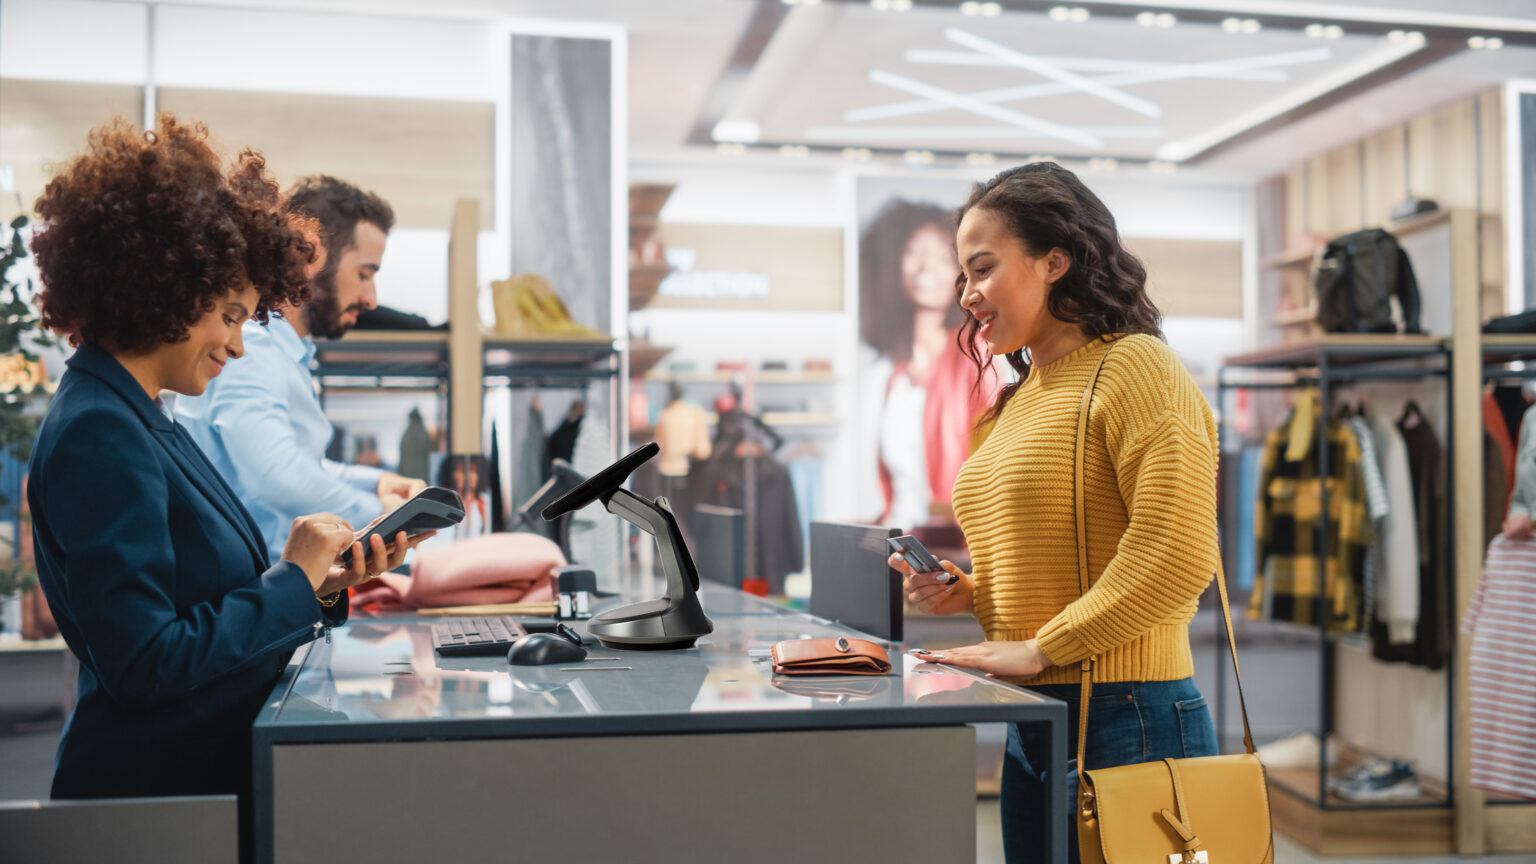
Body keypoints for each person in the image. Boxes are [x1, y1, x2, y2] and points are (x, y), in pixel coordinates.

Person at [26, 115, 428, 808]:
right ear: (172, 290)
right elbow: (147, 663)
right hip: (152, 804)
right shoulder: (101, 430)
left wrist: (317, 584)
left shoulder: (138, 414)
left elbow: (198, 605)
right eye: (233, 315)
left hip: (188, 785)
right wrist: (291, 580)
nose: (240, 347)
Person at [892, 163, 1220, 863]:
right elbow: (1068, 559)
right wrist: (971, 593)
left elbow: (1179, 551)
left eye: (982, 268)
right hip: (1038, 711)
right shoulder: (1017, 400)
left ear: (1055, 260)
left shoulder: (1138, 368)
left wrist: (1045, 646)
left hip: (1130, 709)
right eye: (963, 277)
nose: (969, 294)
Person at [177, 175, 425, 561]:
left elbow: (303, 465)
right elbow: (274, 474)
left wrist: (378, 482)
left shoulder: (285, 351)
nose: (371, 298)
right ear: (314, 255)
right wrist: (382, 517)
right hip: (248, 592)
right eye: (364, 273)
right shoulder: (256, 346)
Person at [857, 199, 1002, 529]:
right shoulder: (887, 374)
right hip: (901, 541)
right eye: (914, 253)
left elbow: (992, 465)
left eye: (942, 257)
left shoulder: (977, 356)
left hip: (953, 545)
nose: (926, 269)